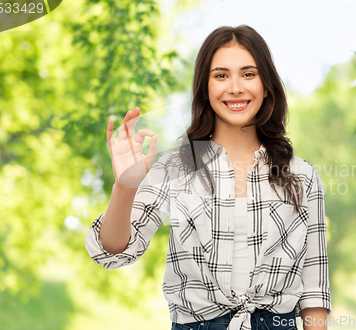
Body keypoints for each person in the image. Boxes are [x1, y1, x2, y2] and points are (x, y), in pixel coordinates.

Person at [85, 25, 331, 330]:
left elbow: (314, 287)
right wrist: (125, 186)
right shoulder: (177, 167)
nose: (236, 87)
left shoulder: (302, 175)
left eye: (248, 74)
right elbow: (113, 254)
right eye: (221, 75)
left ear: (266, 85)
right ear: (205, 87)